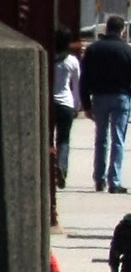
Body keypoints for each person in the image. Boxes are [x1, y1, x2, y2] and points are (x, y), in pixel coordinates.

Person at [82, 15, 131, 192]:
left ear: (106, 29)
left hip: (99, 97)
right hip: (121, 97)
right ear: (122, 30)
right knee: (118, 139)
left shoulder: (93, 50)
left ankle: (99, 179)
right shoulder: (128, 51)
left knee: (100, 138)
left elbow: (84, 78)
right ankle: (114, 181)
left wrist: (85, 104)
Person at [51, 30, 83, 190]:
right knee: (63, 140)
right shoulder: (71, 61)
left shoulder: (50, 59)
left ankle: (49, 167)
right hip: (66, 104)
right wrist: (77, 106)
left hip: (50, 104)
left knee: (48, 139)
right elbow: (77, 86)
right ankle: (62, 166)